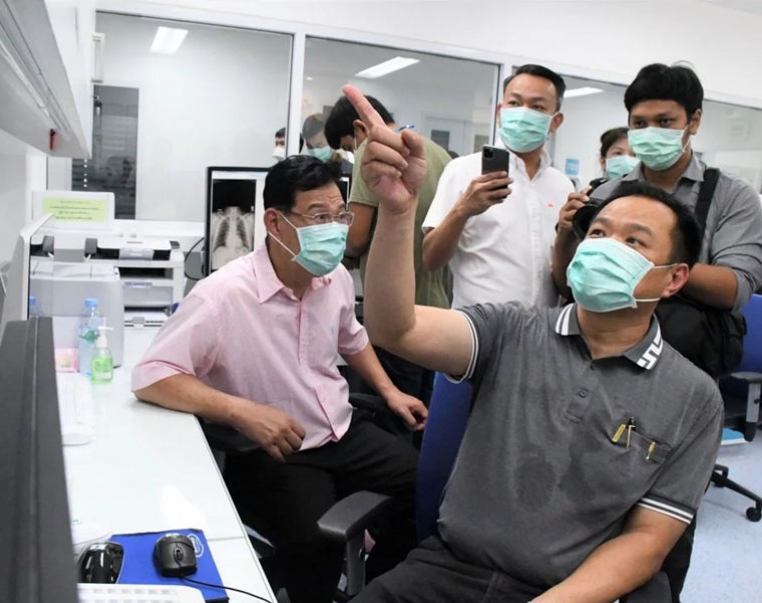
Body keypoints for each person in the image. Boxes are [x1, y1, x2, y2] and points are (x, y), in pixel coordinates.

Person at [342, 86, 723, 603]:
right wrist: (395, 212)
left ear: (674, 278)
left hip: (567, 591)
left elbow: (646, 543)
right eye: (598, 234)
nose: (606, 248)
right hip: (449, 569)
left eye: (634, 241)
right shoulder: (512, 329)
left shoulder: (693, 396)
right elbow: (395, 329)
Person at [132, 156, 427, 603]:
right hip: (279, 449)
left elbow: (352, 337)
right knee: (315, 544)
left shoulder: (335, 278)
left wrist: (390, 392)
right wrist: (242, 411)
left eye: (340, 216)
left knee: (426, 486)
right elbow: (152, 375)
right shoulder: (223, 295)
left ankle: (380, 587)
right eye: (319, 217)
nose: (335, 229)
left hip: (340, 428)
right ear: (274, 222)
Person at [552, 62, 762, 602]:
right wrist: (568, 235)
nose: (649, 133)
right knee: (581, 496)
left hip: (680, 375)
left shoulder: (731, 196)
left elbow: (737, 286)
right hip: (598, 365)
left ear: (693, 121)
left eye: (664, 121)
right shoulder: (609, 190)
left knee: (660, 523)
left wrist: (645, 262)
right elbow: (567, 282)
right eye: (639, 122)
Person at [324, 94, 452, 414]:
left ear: (359, 128)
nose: (353, 153)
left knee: (391, 416)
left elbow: (355, 238)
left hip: (394, 314)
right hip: (438, 312)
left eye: (349, 146)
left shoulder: (375, 152)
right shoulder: (438, 154)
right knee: (425, 413)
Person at [422, 64, 575, 311]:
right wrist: (463, 210)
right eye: (514, 103)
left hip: (542, 326)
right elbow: (431, 259)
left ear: (555, 121)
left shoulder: (562, 186)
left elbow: (563, 284)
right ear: (500, 112)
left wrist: (567, 237)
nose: (523, 113)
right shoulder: (463, 171)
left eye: (537, 107)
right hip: (476, 326)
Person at [586, 126, 639, 191]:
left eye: (634, 155)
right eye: (618, 153)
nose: (626, 160)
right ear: (603, 162)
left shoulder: (648, 194)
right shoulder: (594, 192)